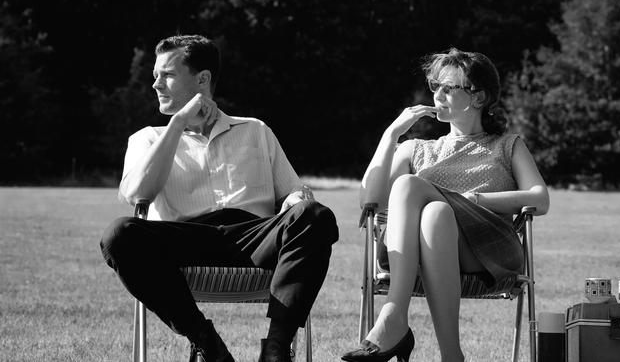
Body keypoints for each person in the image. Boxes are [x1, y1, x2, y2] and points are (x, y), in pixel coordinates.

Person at [100, 34, 339, 362]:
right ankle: (207, 344)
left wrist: (298, 201)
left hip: (254, 238)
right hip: (185, 242)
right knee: (119, 235)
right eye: (155, 76)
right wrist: (179, 122)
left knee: (315, 214)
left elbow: (292, 193)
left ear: (202, 79)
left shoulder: (255, 130)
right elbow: (138, 194)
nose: (156, 84)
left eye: (166, 75)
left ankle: (276, 348)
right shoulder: (148, 138)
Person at [341, 48, 549, 362]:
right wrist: (391, 134)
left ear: (478, 97)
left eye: (449, 88)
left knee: (411, 185)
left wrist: (475, 200)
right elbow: (369, 201)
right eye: (435, 86)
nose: (438, 94)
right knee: (436, 213)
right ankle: (453, 356)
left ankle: (394, 315)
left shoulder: (508, 146)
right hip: (417, 250)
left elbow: (539, 198)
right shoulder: (416, 148)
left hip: (488, 248)